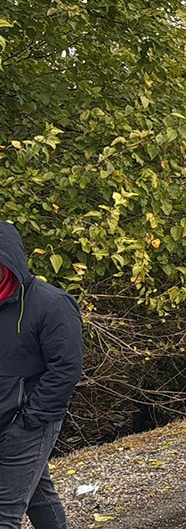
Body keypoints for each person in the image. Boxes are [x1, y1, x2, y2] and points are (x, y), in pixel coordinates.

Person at [0, 221, 83, 529]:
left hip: (29, 422)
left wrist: (30, 420)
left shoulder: (51, 304)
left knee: (4, 514)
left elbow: (66, 367)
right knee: (39, 497)